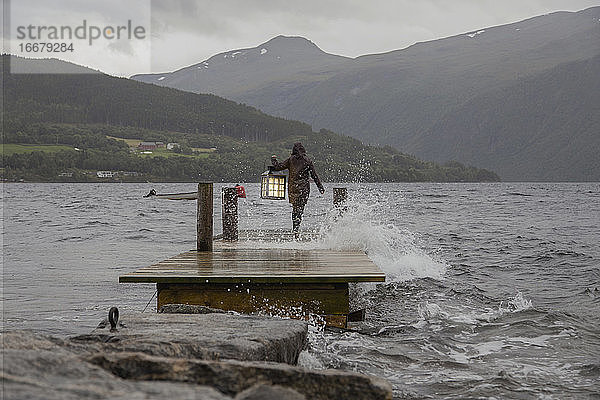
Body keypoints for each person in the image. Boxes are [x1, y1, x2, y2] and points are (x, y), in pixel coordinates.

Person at [271, 142, 325, 234]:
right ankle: (297, 228)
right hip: (304, 189)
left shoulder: (291, 160)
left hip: (293, 189)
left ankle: (295, 229)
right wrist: (320, 187)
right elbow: (314, 175)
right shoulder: (307, 160)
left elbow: (278, 167)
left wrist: (274, 160)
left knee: (295, 209)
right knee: (300, 209)